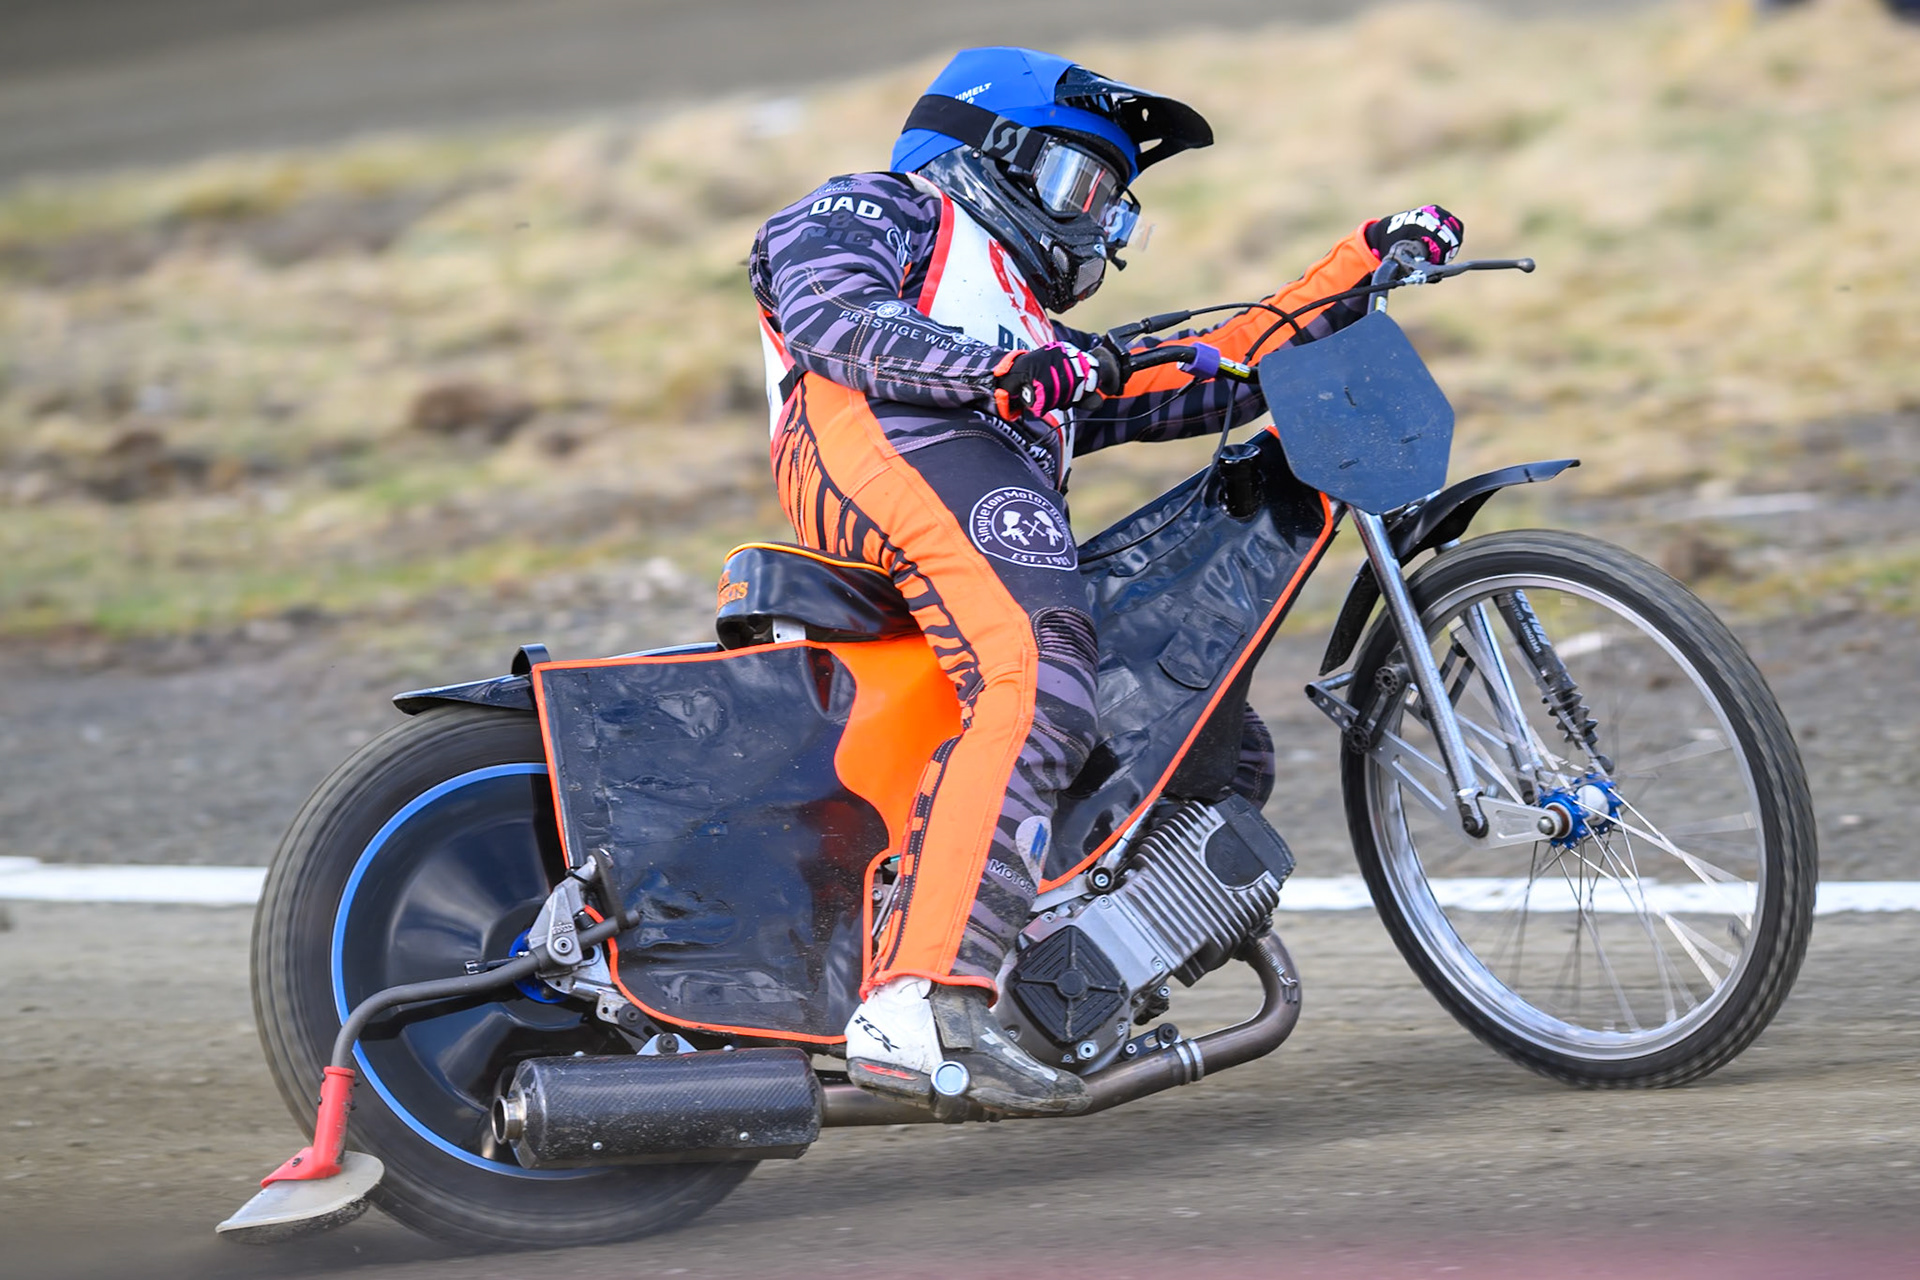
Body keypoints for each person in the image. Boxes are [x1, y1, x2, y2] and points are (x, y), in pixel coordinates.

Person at [747, 46, 1462, 1115]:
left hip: (971, 449)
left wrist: (1357, 269)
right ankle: (917, 996)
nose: (1099, 226)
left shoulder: (1033, 334)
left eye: (1117, 209)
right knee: (1036, 670)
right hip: (877, 436)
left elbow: (1209, 366)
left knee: (1195, 732)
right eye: (1084, 185)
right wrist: (998, 372)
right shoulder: (881, 205)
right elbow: (832, 316)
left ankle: (1043, 966)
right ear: (991, 153)